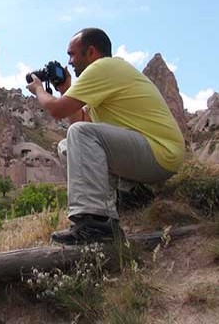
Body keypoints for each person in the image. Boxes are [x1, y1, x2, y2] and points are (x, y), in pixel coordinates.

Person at [26, 28, 184, 245]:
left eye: (72, 54)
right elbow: (82, 127)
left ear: (91, 52)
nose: (69, 62)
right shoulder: (101, 80)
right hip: (149, 156)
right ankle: (131, 194)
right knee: (69, 144)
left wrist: (38, 90)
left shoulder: (104, 67)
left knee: (79, 135)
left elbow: (57, 110)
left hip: (160, 153)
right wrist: (66, 89)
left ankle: (95, 224)